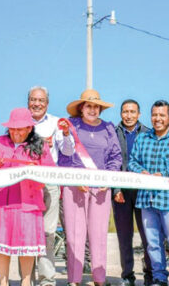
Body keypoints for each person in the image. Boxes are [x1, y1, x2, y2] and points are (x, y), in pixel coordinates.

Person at [0, 107, 56, 286]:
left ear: (29, 128)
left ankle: (25, 281)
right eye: (12, 128)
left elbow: (50, 171)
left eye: (20, 128)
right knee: (2, 244)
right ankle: (4, 282)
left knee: (27, 245)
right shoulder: (0, 142)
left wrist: (35, 170)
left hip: (28, 202)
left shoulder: (40, 146)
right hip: (0, 201)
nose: (15, 132)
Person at [59, 89, 122, 286]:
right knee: (75, 234)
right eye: (89, 105)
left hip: (101, 188)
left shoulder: (109, 128)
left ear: (100, 109)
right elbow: (63, 156)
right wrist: (75, 179)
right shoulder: (71, 126)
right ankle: (74, 280)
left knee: (99, 234)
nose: (92, 109)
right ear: (81, 108)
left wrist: (107, 179)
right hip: (75, 186)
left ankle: (99, 279)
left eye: (96, 106)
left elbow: (115, 156)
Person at [128, 100, 169, 286]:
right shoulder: (142, 138)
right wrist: (141, 172)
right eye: (154, 115)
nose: (157, 119)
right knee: (152, 242)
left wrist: (164, 176)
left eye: (162, 115)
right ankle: (159, 277)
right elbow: (132, 162)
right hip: (147, 199)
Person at [27, 86, 75, 286]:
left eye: (41, 100)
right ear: (28, 101)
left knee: (48, 232)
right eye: (33, 99)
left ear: (47, 103)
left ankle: (47, 280)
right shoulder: (19, 122)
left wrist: (65, 134)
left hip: (49, 181)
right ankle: (26, 279)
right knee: (27, 231)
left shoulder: (57, 122)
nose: (37, 103)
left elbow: (69, 150)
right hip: (25, 183)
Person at [113, 99, 152, 286]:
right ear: (121, 113)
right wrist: (116, 189)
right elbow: (111, 163)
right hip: (121, 192)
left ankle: (150, 273)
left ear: (139, 114)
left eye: (132, 112)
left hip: (143, 192)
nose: (129, 115)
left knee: (148, 236)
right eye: (125, 111)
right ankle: (127, 275)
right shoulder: (113, 133)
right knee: (124, 236)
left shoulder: (148, 133)